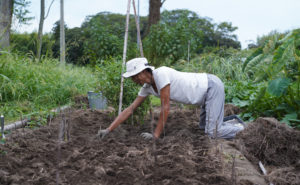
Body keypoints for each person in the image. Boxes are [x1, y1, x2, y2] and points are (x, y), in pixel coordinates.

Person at [97, 57, 244, 140]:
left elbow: (165, 108)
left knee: (213, 132)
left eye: (135, 76)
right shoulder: (147, 87)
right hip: (204, 94)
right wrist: (108, 130)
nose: (134, 80)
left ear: (144, 71)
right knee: (203, 129)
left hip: (210, 87)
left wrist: (155, 135)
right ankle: (233, 123)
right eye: (132, 78)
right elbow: (130, 109)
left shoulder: (161, 74)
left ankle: (244, 130)